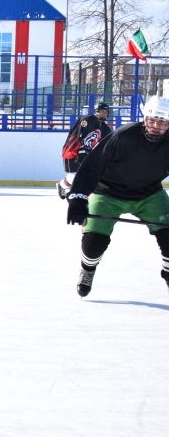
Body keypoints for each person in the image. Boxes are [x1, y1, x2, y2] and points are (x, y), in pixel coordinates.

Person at [66, 95, 169, 297]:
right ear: (144, 118)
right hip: (108, 193)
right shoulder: (123, 136)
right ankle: (87, 270)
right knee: (94, 243)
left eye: (162, 121)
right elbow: (92, 166)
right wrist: (78, 197)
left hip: (150, 195)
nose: (156, 125)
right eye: (152, 120)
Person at [58, 101, 112, 198]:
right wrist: (80, 152)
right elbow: (75, 137)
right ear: (97, 111)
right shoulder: (87, 121)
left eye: (106, 112)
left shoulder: (105, 129)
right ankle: (64, 187)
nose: (104, 114)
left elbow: (107, 144)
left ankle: (71, 191)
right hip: (73, 151)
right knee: (74, 177)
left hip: (87, 155)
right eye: (102, 111)